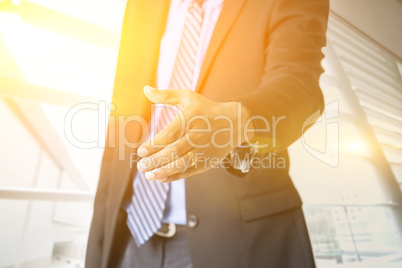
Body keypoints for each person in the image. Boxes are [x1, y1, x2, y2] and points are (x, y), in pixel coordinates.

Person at [86, 0, 329, 267]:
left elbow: (300, 86)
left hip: (239, 242)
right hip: (129, 236)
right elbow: (122, 108)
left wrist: (239, 121)